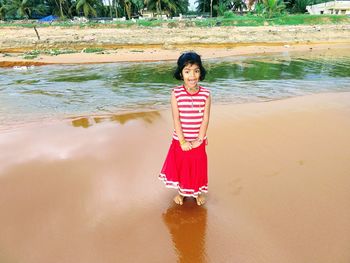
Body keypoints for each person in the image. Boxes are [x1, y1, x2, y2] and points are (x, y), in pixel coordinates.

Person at [159, 52, 211, 206]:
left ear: (200, 72)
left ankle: (197, 193)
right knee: (182, 168)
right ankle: (181, 193)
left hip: (198, 140)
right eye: (187, 71)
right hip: (180, 140)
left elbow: (205, 118)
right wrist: (182, 141)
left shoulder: (206, 94)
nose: (192, 76)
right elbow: (176, 118)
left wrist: (199, 139)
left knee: (197, 168)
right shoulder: (176, 93)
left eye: (196, 70)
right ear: (181, 74)